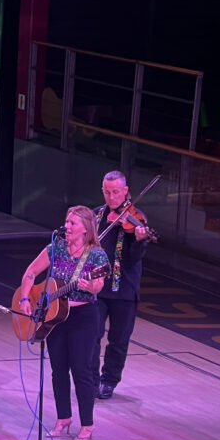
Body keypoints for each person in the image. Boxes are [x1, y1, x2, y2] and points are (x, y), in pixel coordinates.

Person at [18, 206, 109, 440]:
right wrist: (26, 298)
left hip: (84, 318)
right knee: (58, 370)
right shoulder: (56, 247)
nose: (67, 227)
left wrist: (89, 286)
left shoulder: (97, 256)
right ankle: (63, 418)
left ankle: (87, 424)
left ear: (86, 230)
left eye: (73, 224)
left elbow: (98, 285)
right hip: (56, 317)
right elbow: (31, 272)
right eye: (67, 222)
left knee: (81, 370)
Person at [94, 170, 150, 400]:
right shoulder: (96, 215)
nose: (111, 197)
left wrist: (139, 240)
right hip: (97, 287)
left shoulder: (136, 219)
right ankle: (90, 377)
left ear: (126, 191)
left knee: (119, 340)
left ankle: (109, 381)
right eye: (107, 192)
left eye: (116, 192)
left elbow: (135, 258)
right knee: (91, 335)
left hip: (124, 289)